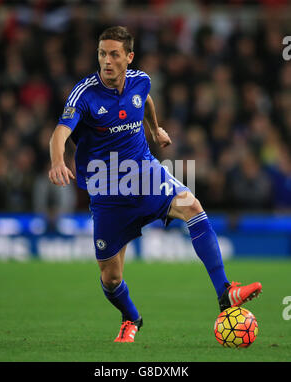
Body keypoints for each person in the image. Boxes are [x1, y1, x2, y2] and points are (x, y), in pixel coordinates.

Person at [48, 26, 262, 343]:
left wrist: (155, 129)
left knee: (193, 206)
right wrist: (57, 160)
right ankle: (131, 317)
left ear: (128, 57)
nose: (106, 61)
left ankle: (225, 292)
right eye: (101, 53)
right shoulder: (85, 94)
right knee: (111, 277)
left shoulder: (140, 80)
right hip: (108, 191)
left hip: (144, 172)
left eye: (114, 54)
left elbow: (144, 100)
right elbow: (59, 133)